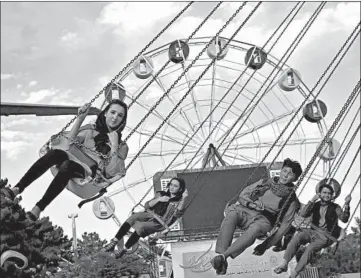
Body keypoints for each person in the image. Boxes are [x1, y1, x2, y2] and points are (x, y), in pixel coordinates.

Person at [0, 99, 129, 220]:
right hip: (73, 160)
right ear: (106, 112)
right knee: (55, 153)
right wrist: (80, 119)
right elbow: (68, 143)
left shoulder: (122, 147)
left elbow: (112, 172)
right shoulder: (90, 130)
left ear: (123, 120)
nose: (115, 117)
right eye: (113, 112)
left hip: (91, 177)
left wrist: (114, 146)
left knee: (68, 165)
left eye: (120, 115)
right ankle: (17, 189)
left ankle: (38, 208)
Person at [210, 158, 303, 275]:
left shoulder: (291, 201)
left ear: (295, 179)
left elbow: (283, 228)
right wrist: (251, 204)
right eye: (284, 171)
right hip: (248, 210)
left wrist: (265, 245)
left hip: (265, 221)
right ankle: (222, 258)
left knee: (254, 230)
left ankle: (223, 257)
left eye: (290, 174)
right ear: (281, 171)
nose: (285, 175)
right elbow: (244, 194)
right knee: (231, 215)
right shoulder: (265, 183)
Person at [273, 182, 351, 278]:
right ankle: (284, 264)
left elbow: (344, 219)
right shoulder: (315, 205)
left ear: (332, 196)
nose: (326, 195)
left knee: (310, 248)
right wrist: (312, 200)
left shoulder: (335, 207)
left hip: (326, 236)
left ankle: (294, 274)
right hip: (313, 231)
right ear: (319, 194)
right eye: (324, 193)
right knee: (297, 237)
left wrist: (347, 204)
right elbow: (303, 214)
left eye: (329, 194)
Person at [102, 177, 188, 259]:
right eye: (171, 184)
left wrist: (184, 198)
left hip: (160, 222)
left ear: (180, 189)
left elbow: (178, 213)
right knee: (133, 217)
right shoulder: (161, 194)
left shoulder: (178, 202)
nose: (172, 187)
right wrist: (159, 199)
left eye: (175, 186)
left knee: (141, 227)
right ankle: (114, 241)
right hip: (150, 214)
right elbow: (147, 205)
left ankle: (124, 250)